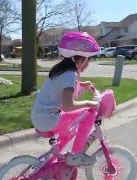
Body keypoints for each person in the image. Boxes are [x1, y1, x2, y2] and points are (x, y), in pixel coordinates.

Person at [31, 32, 100, 165]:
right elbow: (68, 106)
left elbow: (64, 92)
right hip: (48, 120)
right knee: (89, 113)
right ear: (81, 59)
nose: (88, 64)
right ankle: (76, 155)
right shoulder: (70, 75)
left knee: (71, 128)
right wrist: (90, 103)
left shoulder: (60, 70)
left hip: (39, 117)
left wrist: (82, 85)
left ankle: (56, 159)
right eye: (88, 60)